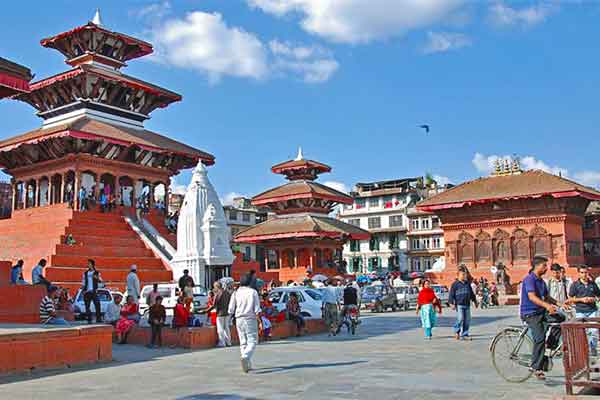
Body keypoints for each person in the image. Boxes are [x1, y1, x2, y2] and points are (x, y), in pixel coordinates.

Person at [520, 256, 566, 380]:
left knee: (560, 319)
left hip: (541, 312)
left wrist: (561, 304)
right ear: (537, 266)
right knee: (539, 338)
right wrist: (547, 306)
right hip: (530, 313)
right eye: (544, 266)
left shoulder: (541, 281)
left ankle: (550, 346)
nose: (546, 268)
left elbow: (547, 297)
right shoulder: (529, 279)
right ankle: (536, 367)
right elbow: (532, 297)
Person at [228, 273, 261, 373]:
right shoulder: (253, 292)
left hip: (238, 319)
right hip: (250, 318)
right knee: (252, 341)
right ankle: (246, 357)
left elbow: (230, 309)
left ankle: (246, 362)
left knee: (243, 341)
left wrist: (230, 319)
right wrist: (260, 321)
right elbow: (257, 309)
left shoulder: (236, 292)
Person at [568, 265, 600, 356]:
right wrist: (581, 299)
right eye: (582, 272)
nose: (584, 274)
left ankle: (592, 348)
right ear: (579, 273)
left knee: (593, 331)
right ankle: (583, 350)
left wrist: (593, 299)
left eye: (585, 272)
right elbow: (570, 299)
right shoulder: (575, 285)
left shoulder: (592, 284)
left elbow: (598, 296)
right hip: (580, 311)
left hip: (592, 310)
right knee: (581, 332)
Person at [449, 266, 478, 340]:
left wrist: (475, 301)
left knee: (467, 320)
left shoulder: (467, 284)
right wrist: (451, 303)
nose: (464, 276)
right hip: (459, 305)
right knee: (460, 318)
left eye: (465, 275)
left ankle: (465, 334)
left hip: (467, 304)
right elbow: (451, 294)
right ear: (458, 275)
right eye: (462, 274)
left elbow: (471, 293)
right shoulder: (455, 284)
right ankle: (457, 330)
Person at [202, 281, 232, 347]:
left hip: (220, 313)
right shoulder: (227, 293)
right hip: (227, 313)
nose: (214, 288)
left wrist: (206, 311)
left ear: (216, 287)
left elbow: (213, 305)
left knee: (220, 328)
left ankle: (222, 342)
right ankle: (228, 342)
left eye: (214, 287)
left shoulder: (218, 294)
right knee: (226, 327)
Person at [82, 259, 102, 323]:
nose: (88, 265)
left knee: (97, 304)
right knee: (87, 306)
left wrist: (97, 278)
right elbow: (83, 282)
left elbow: (101, 282)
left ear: (92, 265)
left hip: (94, 291)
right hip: (87, 292)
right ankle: (89, 319)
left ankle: (98, 319)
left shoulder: (97, 273)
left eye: (89, 263)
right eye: (88, 264)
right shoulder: (85, 273)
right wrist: (83, 290)